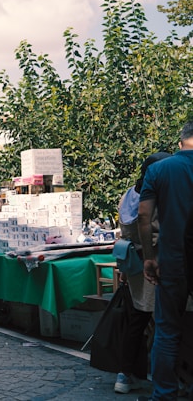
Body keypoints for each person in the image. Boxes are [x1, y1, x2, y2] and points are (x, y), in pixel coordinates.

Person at [138, 122, 193, 401]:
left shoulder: (159, 169)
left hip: (172, 261)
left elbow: (144, 217)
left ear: (181, 140)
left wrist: (149, 257)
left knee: (167, 331)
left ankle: (164, 395)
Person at [113, 152, 170, 394]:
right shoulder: (156, 198)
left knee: (136, 322)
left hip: (134, 267)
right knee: (165, 325)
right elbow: (155, 229)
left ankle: (125, 375)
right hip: (156, 264)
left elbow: (125, 232)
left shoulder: (128, 195)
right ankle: (166, 380)